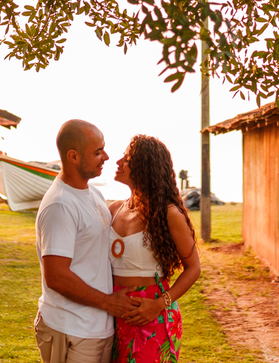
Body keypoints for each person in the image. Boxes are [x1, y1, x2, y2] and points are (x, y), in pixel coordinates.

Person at [35, 120, 139, 363]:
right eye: (97, 152)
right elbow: (56, 276)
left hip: (97, 327)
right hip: (71, 328)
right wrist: (109, 303)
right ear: (73, 156)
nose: (106, 156)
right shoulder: (60, 205)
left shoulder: (93, 194)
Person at [108, 135, 202, 363]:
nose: (118, 161)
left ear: (145, 166)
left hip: (153, 314)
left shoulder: (168, 214)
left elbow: (193, 269)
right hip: (113, 314)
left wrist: (160, 304)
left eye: (127, 158)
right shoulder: (113, 209)